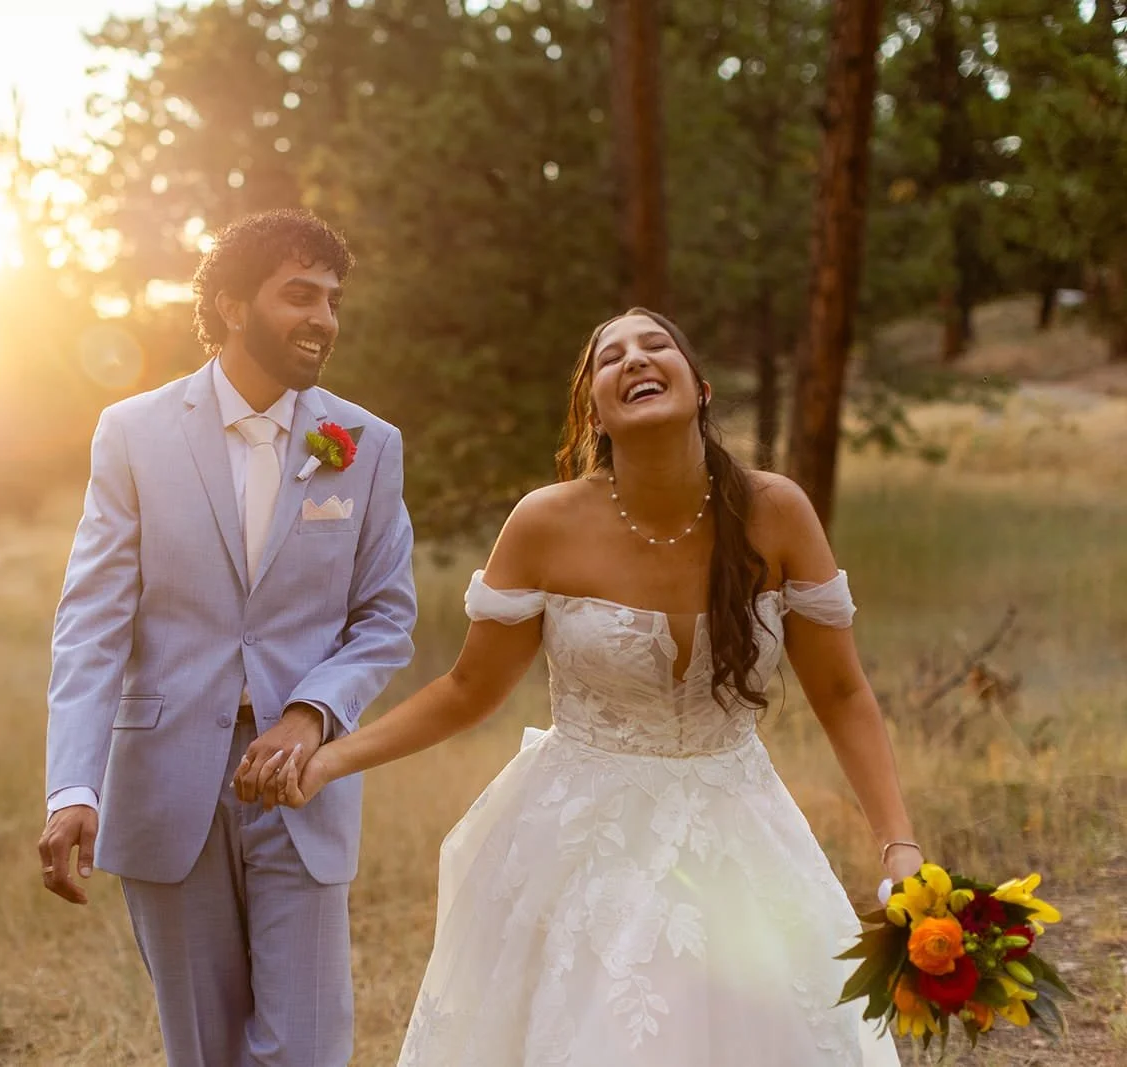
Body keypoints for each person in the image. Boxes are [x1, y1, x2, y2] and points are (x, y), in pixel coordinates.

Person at [259, 308, 918, 1065]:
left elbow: (841, 693)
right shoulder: (545, 523)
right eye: (611, 357)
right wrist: (331, 759)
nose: (635, 359)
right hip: (581, 848)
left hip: (739, 835)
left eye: (655, 345)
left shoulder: (777, 512)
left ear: (699, 388)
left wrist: (899, 846)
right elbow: (468, 689)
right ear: (594, 409)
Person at [39, 208, 418, 1067]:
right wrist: (72, 788)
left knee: (307, 1049)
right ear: (232, 305)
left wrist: (313, 713)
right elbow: (92, 622)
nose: (323, 317)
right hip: (164, 777)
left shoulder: (363, 445)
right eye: (299, 294)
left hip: (301, 780)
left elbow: (386, 615)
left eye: (332, 298)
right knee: (205, 1051)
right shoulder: (132, 433)